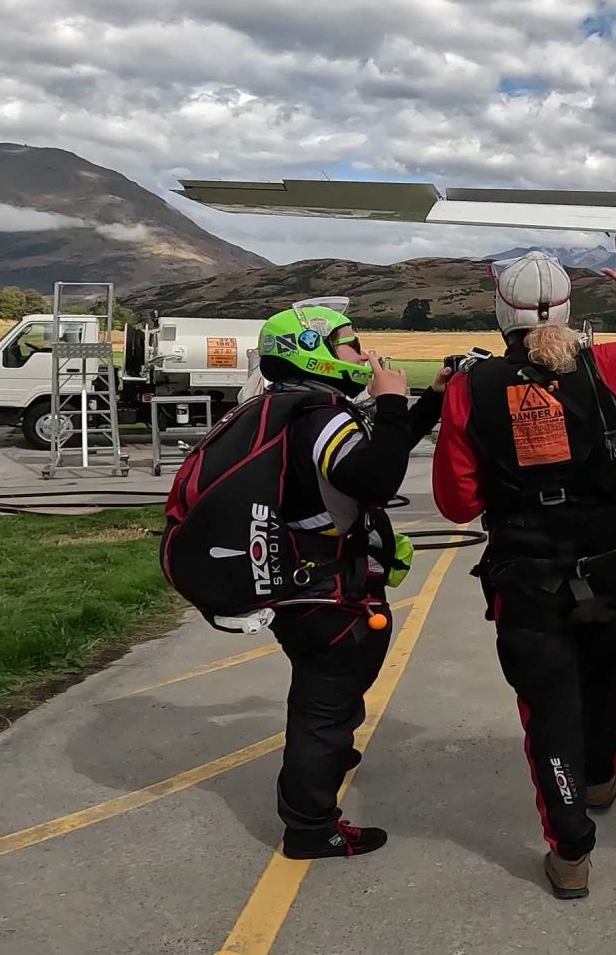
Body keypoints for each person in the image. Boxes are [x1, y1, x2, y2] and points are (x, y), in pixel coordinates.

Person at [432, 238, 616, 900]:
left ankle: (571, 850)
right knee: (610, 683)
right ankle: (600, 776)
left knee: (549, 710)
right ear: (569, 310)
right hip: (614, 564)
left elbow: (457, 502)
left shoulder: (469, 388)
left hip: (527, 574)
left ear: (500, 314)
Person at [246, 299, 444, 861]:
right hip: (327, 592)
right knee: (323, 708)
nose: (363, 353)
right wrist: (389, 399)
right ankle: (311, 827)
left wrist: (425, 404)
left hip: (299, 582)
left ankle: (326, 754)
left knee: (324, 693)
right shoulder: (323, 414)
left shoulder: (287, 407)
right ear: (315, 353)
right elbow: (375, 479)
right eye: (350, 344)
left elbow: (366, 457)